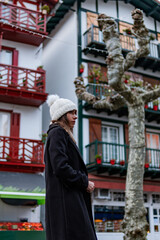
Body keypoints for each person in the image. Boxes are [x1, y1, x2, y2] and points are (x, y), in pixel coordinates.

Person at [44, 94, 97, 240]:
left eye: (76, 113)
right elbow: (60, 167)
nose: (75, 117)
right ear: (61, 115)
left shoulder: (59, 134)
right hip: (66, 202)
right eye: (71, 113)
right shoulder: (58, 133)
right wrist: (84, 181)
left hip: (67, 199)